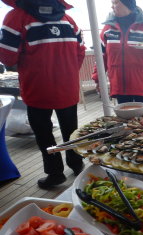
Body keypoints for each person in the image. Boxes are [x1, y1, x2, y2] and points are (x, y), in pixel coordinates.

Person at [0, 0, 85, 189]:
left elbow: (7, 57)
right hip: (67, 86)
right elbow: (80, 51)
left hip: (38, 87)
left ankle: (55, 173)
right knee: (71, 130)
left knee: (44, 134)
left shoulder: (16, 18)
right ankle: (77, 163)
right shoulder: (68, 20)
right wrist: (69, 72)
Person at [92, 0, 143, 108]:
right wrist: (98, 79)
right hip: (119, 85)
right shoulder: (108, 29)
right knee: (125, 121)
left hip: (141, 85)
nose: (112, 7)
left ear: (128, 4)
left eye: (115, 3)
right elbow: (101, 56)